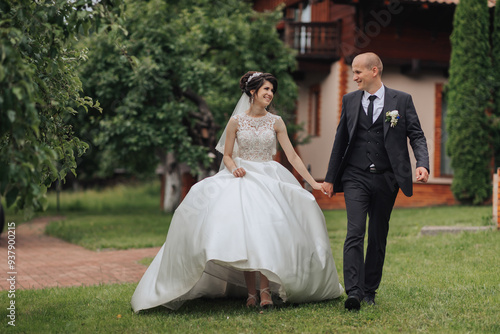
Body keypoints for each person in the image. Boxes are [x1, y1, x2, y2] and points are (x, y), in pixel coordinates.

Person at [131, 71, 343, 312]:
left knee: (266, 232)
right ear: (253, 92)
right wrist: (234, 170)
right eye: (266, 89)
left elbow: (292, 156)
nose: (270, 94)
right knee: (246, 233)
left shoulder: (276, 122)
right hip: (242, 178)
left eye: (272, 90)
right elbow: (228, 156)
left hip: (269, 177)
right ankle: (250, 292)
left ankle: (265, 292)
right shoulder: (236, 122)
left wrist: (313, 183)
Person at [322, 53, 429, 311]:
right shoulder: (349, 101)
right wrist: (329, 178)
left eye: (358, 72)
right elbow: (340, 141)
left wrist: (422, 163)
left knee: (378, 236)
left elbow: (416, 135)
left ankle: (370, 290)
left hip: (387, 178)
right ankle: (354, 293)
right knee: (354, 232)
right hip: (355, 176)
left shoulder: (401, 100)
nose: (354, 77)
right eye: (353, 72)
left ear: (374, 71)